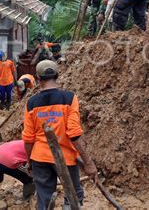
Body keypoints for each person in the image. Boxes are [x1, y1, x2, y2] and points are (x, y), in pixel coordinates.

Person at [22, 60, 98, 209]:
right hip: (65, 158)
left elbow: (28, 138)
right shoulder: (69, 98)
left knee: (44, 198)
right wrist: (88, 163)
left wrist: (29, 161)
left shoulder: (31, 103)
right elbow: (74, 134)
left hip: (40, 157)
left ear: (38, 78)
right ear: (57, 75)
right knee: (73, 196)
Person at [0, 140, 35, 205]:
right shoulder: (35, 148)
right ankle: (27, 198)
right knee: (29, 179)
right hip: (9, 160)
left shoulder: (22, 141)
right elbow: (29, 165)